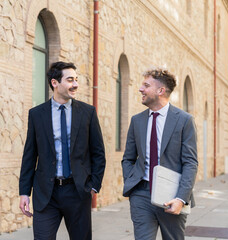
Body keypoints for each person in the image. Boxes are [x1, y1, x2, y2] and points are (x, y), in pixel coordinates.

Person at [19, 61, 106, 240]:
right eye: (70, 80)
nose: (75, 84)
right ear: (55, 83)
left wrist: (94, 185)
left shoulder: (87, 112)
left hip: (78, 191)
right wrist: (24, 192)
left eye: (76, 79)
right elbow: (30, 155)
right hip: (46, 194)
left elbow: (98, 153)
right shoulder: (37, 114)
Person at [122, 67, 198, 240]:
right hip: (141, 193)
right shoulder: (137, 121)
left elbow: (190, 162)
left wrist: (181, 198)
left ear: (161, 90)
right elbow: (128, 158)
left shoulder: (184, 120)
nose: (141, 89)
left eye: (146, 85)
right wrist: (131, 184)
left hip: (171, 194)